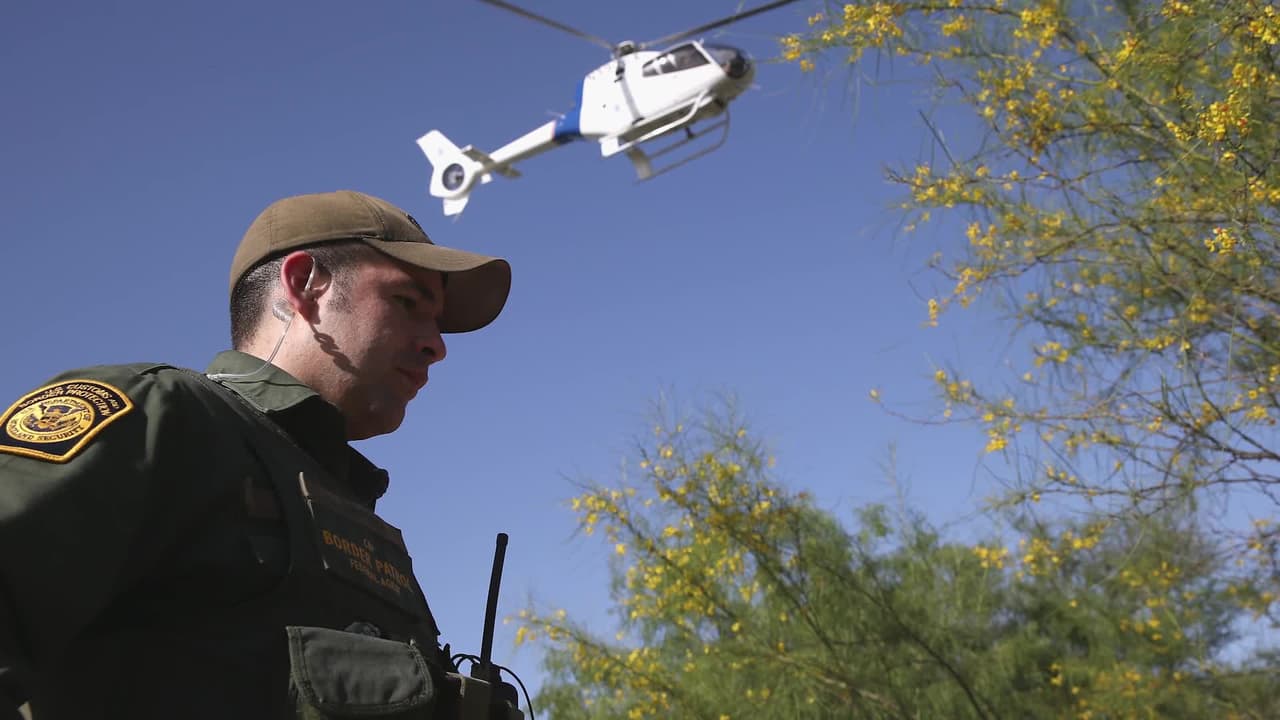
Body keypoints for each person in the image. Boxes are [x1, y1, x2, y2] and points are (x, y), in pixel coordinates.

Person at [0, 190, 514, 719]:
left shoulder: (347, 510)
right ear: (304, 285)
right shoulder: (163, 418)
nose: (437, 344)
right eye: (408, 302)